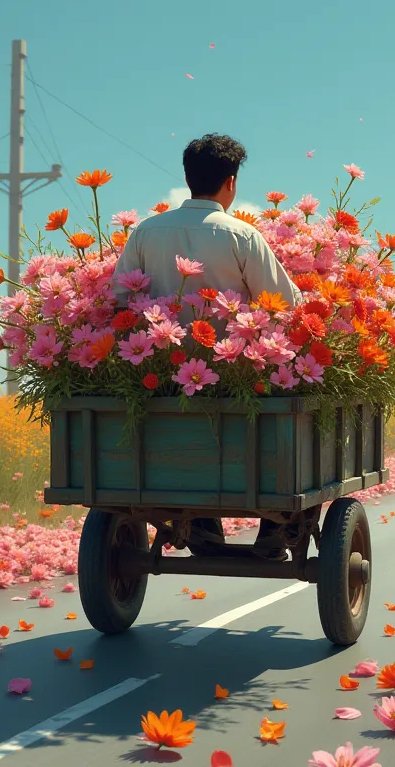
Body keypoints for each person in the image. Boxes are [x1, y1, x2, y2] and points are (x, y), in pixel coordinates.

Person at [111, 133, 301, 561]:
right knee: (288, 404)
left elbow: (120, 298)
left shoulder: (145, 232)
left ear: (187, 177)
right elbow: (286, 304)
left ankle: (199, 519)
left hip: (157, 374)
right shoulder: (243, 236)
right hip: (237, 370)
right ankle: (274, 526)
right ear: (230, 182)